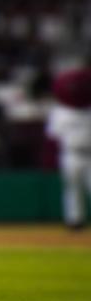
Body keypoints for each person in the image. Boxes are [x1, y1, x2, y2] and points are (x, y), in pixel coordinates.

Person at [46, 98, 91, 231]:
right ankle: (75, 221)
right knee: (72, 188)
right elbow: (53, 134)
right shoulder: (60, 112)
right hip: (71, 153)